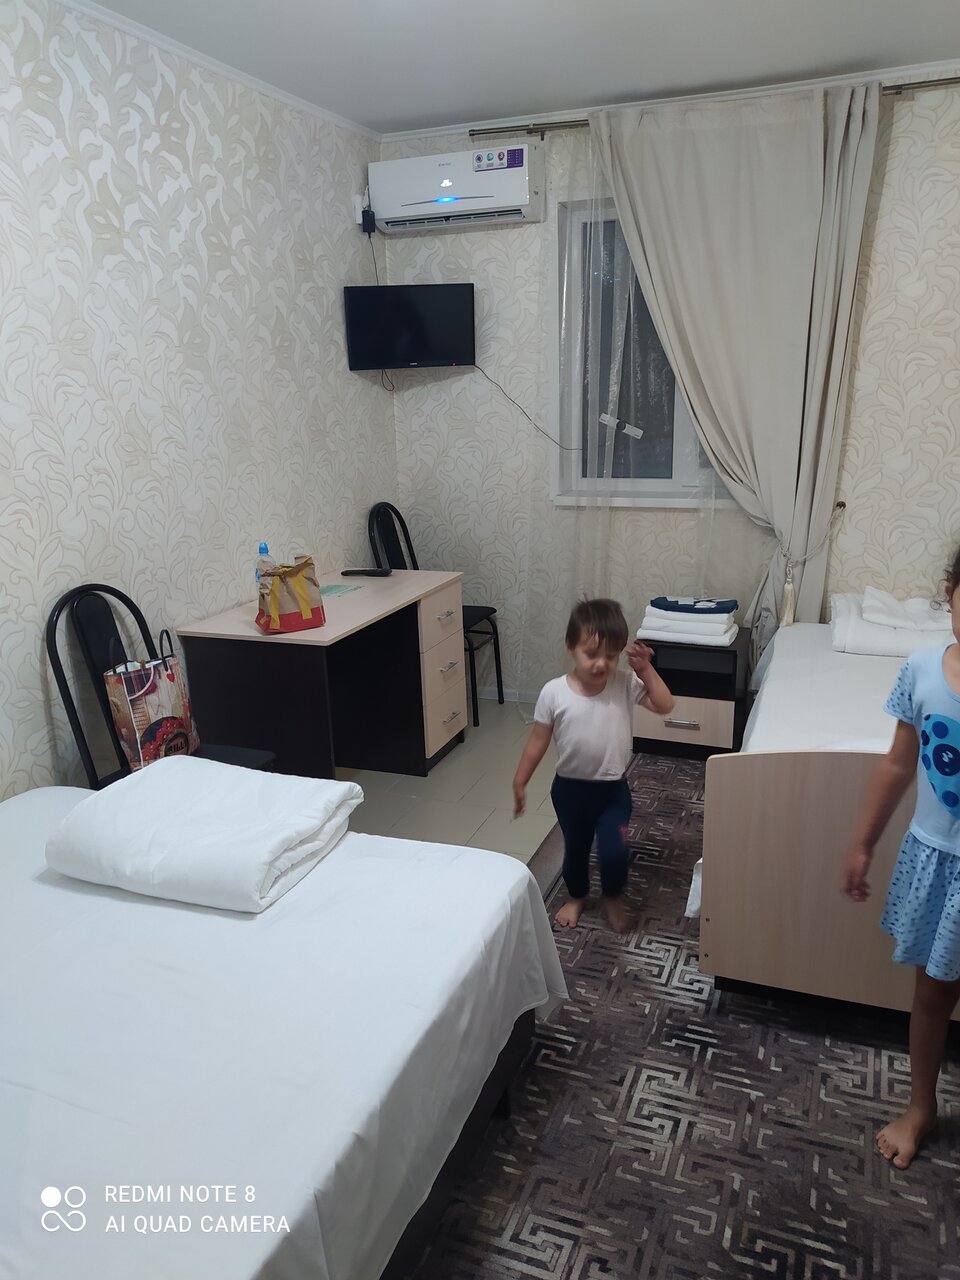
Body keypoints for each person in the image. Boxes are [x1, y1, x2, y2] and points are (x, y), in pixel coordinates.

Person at [843, 547, 960, 1170]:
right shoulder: (922, 670)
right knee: (932, 997)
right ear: (950, 592)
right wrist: (864, 842)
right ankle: (921, 1106)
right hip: (939, 862)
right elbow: (896, 765)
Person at [513, 598, 675, 933]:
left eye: (611, 656)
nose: (602, 664)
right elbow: (538, 741)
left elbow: (664, 704)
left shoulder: (624, 684)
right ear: (571, 646)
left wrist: (645, 670)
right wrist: (520, 781)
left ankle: (612, 896)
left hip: (613, 792)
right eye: (591, 654)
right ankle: (576, 896)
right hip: (569, 792)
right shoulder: (553, 693)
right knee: (576, 849)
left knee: (615, 850)